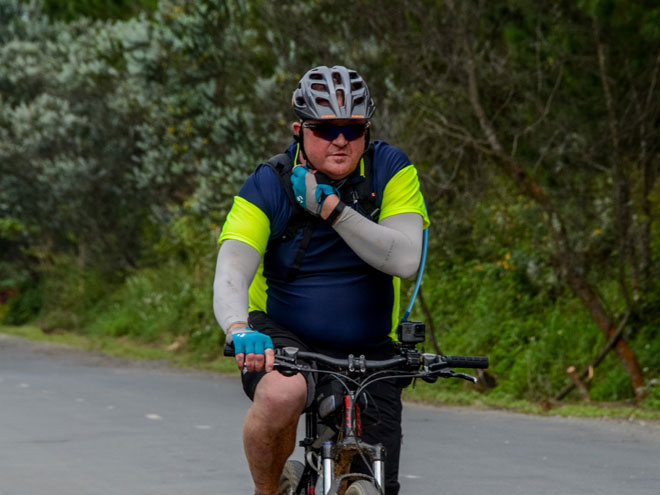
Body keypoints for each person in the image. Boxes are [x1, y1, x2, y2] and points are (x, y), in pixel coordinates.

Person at [213, 65, 430, 495]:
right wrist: (239, 330)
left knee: (379, 483)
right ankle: (268, 491)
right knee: (281, 394)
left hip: (371, 347)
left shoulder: (389, 169)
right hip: (285, 333)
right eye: (326, 128)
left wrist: (332, 210)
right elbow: (233, 269)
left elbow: (406, 260)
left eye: (353, 128)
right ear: (299, 130)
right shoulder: (269, 183)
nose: (340, 140)